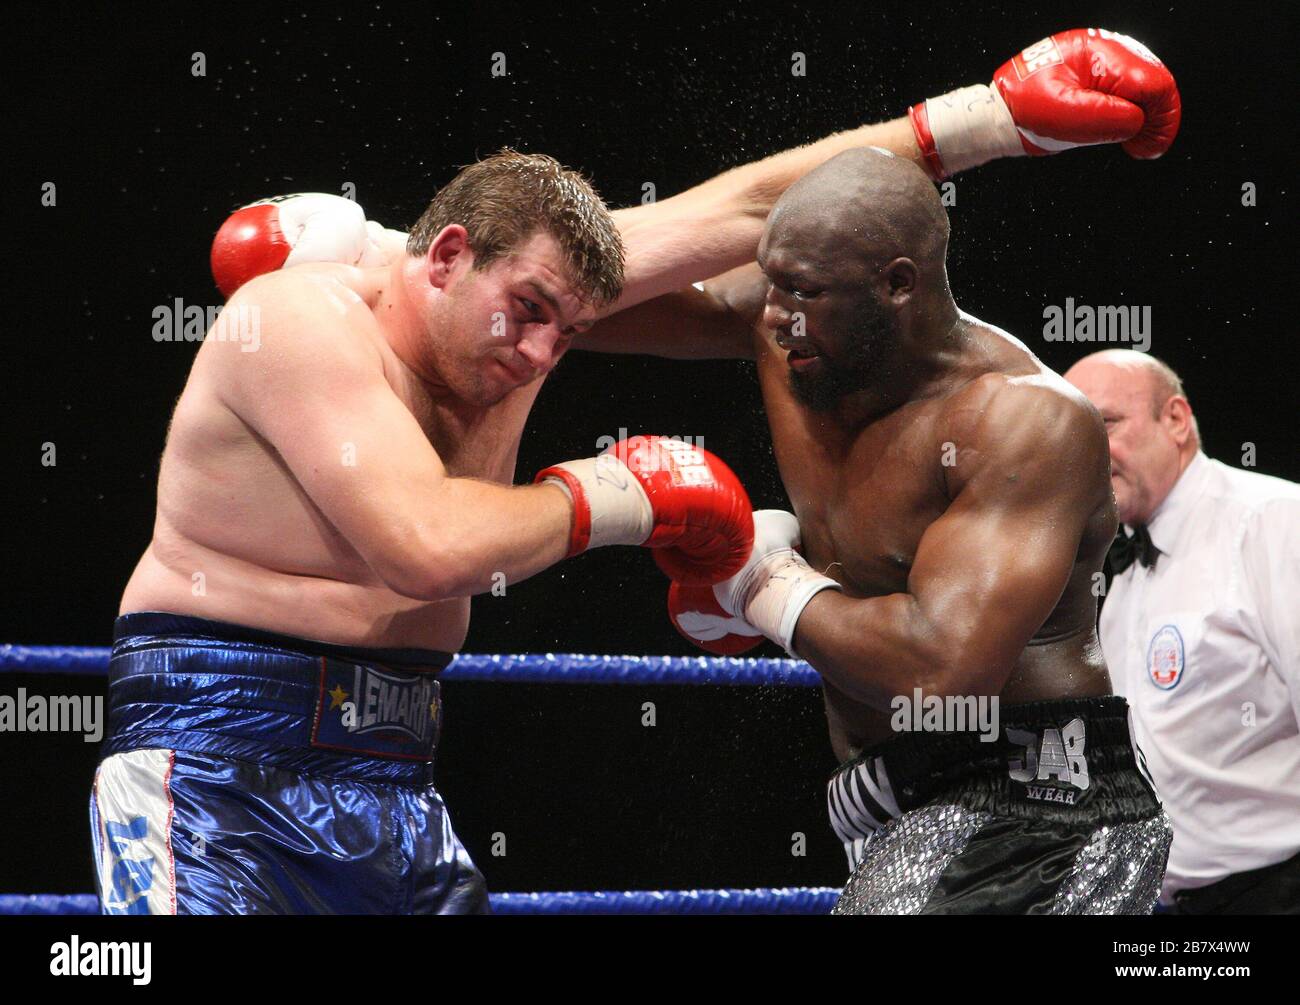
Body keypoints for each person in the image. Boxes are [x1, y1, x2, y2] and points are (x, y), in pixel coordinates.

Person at [94, 27, 1180, 915]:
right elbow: (420, 545)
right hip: (224, 745)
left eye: (568, 330)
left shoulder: (535, 299)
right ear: (440, 256)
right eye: (525, 316)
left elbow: (746, 215)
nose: (540, 353)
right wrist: (618, 495)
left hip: (395, 767)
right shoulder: (300, 314)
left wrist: (978, 124)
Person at [1065, 349, 1300, 914]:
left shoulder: (1273, 521)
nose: (1087, 457)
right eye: (1073, 439)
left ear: (1175, 419)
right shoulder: (1116, 569)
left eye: (1107, 426)